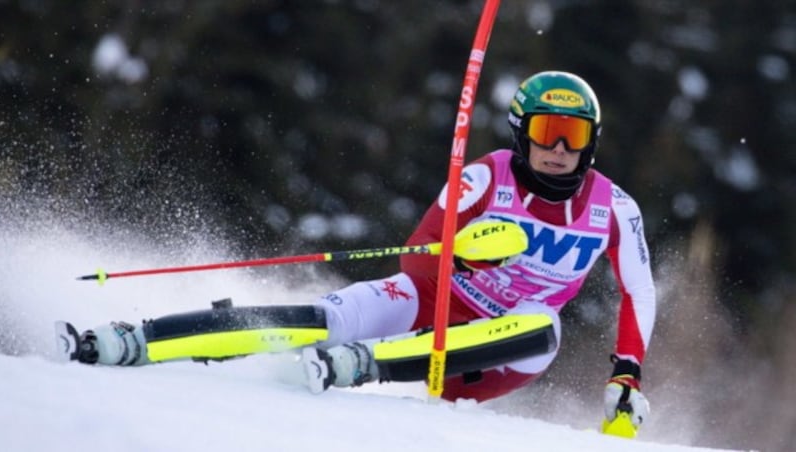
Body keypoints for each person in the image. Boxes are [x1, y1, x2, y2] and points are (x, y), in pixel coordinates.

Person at [71, 71, 655, 428]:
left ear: (591, 143)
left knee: (544, 327)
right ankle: (139, 340)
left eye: (572, 136)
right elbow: (419, 252)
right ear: (519, 131)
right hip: (434, 297)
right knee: (334, 314)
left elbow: (638, 289)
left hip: (490, 356)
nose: (557, 148)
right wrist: (464, 254)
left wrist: (626, 375)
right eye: (545, 131)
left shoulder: (616, 209)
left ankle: (364, 364)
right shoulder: (485, 178)